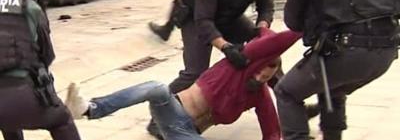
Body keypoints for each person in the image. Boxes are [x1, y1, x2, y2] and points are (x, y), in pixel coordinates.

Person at [274, 0, 400, 139]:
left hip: (345, 53)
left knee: (287, 91)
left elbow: (292, 21)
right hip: (386, 54)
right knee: (332, 87)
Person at [65, 29, 302, 140]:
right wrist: (304, 28)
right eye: (260, 68)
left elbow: (271, 131)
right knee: (157, 88)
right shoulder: (236, 65)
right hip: (171, 110)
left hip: (185, 133)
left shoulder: (259, 95)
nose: (261, 75)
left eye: (268, 74)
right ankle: (90, 108)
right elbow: (273, 42)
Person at [0, 0, 81, 140]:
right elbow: (47, 56)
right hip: (25, 97)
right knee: (62, 120)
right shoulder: (29, 8)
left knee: (7, 118)